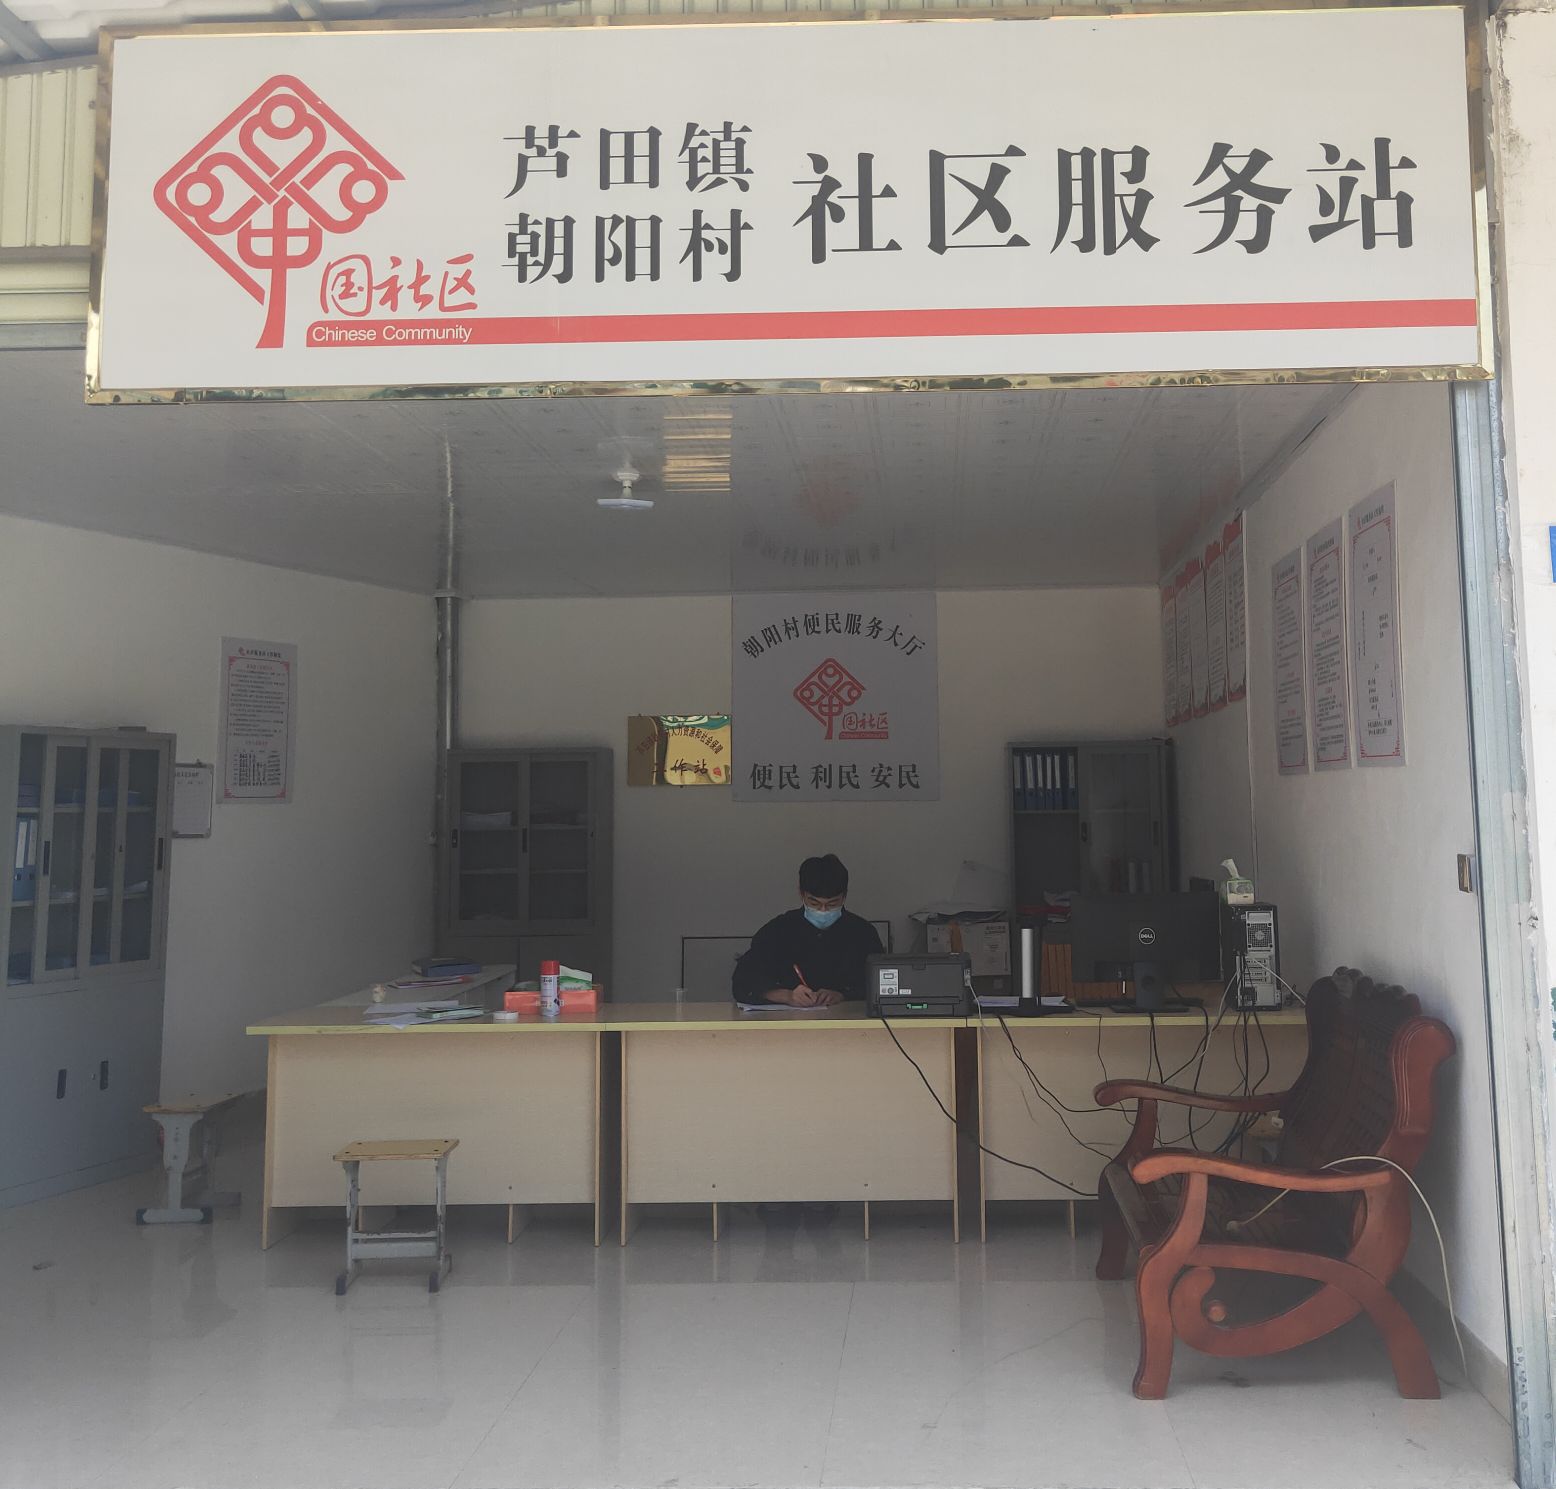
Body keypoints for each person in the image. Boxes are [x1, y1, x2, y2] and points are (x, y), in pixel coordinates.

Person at [731, 853, 883, 1007]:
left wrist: (843, 995)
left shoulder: (863, 933)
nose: (823, 910)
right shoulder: (778, 930)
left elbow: (881, 984)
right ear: (801, 894)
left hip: (848, 1018)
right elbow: (743, 982)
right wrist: (786, 996)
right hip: (790, 1019)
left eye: (832, 904)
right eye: (814, 903)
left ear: (844, 896)